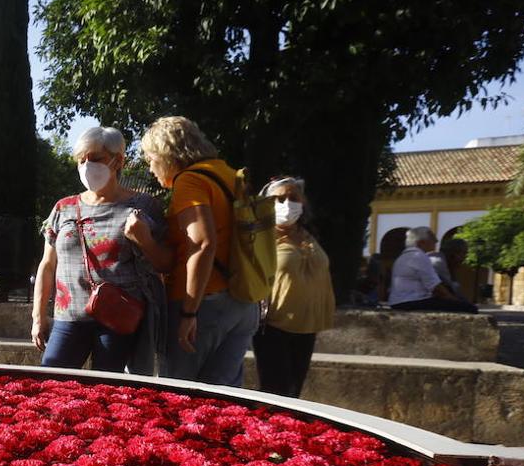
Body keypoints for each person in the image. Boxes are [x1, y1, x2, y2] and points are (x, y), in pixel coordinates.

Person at [32, 126, 171, 373]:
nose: (86, 166)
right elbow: (47, 264)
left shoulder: (143, 206)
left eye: (95, 158)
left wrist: (144, 240)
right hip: (68, 316)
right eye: (81, 159)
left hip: (118, 318)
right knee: (51, 385)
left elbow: (165, 263)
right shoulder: (63, 208)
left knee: (107, 392)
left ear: (118, 160)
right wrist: (38, 317)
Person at [144, 116, 259, 386]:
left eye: (151, 159)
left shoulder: (190, 181)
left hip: (204, 305)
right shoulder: (230, 175)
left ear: (166, 154)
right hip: (243, 301)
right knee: (225, 401)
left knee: (179, 395)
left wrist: (188, 312)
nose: (151, 168)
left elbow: (202, 243)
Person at [251, 177, 335, 398]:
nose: (287, 204)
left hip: (307, 326)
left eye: (293, 198)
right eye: (279, 198)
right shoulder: (261, 236)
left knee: (294, 392)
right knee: (276, 391)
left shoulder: (309, 235)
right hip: (273, 326)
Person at [389, 227, 478, 313]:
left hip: (399, 301)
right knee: (469, 308)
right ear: (421, 242)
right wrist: (456, 301)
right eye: (432, 239)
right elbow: (436, 287)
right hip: (411, 301)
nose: (436, 241)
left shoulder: (404, 256)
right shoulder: (419, 256)